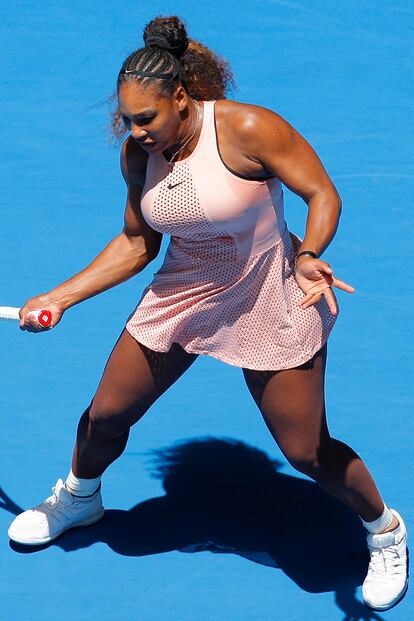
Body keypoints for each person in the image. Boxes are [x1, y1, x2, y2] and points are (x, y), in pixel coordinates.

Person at [8, 15, 408, 612]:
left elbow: (322, 193)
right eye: (128, 120)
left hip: (269, 293)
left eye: (148, 118)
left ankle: (386, 531)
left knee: (306, 451)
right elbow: (138, 241)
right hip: (183, 293)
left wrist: (310, 255)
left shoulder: (249, 128)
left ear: (180, 97)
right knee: (103, 419)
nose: (138, 131)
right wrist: (60, 295)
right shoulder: (137, 154)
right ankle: (79, 495)